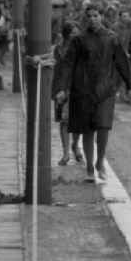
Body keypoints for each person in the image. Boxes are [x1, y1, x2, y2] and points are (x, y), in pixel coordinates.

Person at [55, 5, 131, 183]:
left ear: (101, 16)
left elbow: (122, 63)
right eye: (89, 15)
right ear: (86, 18)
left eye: (96, 15)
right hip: (82, 90)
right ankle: (90, 167)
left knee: (103, 127)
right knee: (87, 130)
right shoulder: (78, 40)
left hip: (105, 90)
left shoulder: (112, 38)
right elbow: (68, 65)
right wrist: (62, 88)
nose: (93, 18)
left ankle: (100, 161)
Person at [52, 19, 83, 166]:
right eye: (72, 34)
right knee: (64, 122)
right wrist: (58, 90)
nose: (76, 37)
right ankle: (65, 153)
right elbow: (56, 71)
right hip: (62, 89)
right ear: (66, 35)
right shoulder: (58, 49)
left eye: (78, 34)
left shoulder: (83, 49)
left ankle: (75, 145)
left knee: (77, 121)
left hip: (78, 88)